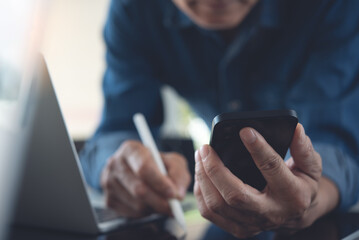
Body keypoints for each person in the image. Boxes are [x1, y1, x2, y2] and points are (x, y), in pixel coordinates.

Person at [80, 0, 359, 238]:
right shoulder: (135, 10)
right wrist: (120, 167)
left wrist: (312, 196)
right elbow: (117, 129)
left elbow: (339, 141)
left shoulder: (332, 6)